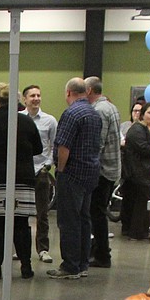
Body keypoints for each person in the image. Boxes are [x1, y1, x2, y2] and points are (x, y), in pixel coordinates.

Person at [0, 83, 41, 280]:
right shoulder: (27, 122)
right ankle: (26, 266)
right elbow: (37, 148)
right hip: (22, 178)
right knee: (21, 224)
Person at [46, 77, 101, 280]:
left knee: (68, 221)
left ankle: (70, 266)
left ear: (68, 92)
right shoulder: (94, 114)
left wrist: (60, 170)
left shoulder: (70, 114)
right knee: (84, 219)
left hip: (72, 174)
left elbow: (64, 147)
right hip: (90, 173)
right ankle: (82, 264)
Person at [84, 77, 121, 269]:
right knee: (99, 211)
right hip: (112, 168)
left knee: (96, 213)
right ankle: (99, 250)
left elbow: (98, 142)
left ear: (89, 90)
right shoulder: (111, 106)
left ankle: (102, 254)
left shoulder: (99, 110)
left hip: (103, 170)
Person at [21, 84, 56, 264]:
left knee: (42, 213)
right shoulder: (18, 119)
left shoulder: (49, 120)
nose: (36, 98)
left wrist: (47, 165)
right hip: (22, 171)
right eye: (32, 96)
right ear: (24, 99)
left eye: (38, 95)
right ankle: (20, 249)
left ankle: (43, 249)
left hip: (40, 171)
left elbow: (54, 145)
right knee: (19, 212)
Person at [122, 101, 150, 241]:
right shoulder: (137, 129)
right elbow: (143, 148)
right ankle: (137, 232)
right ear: (142, 114)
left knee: (147, 203)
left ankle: (144, 231)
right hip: (142, 173)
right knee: (141, 204)